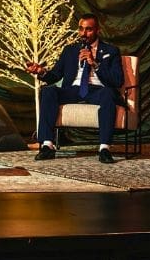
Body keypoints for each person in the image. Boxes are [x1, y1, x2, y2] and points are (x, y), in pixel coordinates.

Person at [27, 13, 124, 164]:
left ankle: (104, 148)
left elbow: (117, 80)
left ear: (98, 30)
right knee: (48, 90)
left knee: (107, 94)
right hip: (74, 89)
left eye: (89, 29)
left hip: (98, 90)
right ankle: (47, 145)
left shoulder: (111, 51)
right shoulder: (70, 50)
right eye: (81, 29)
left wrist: (95, 63)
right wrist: (41, 72)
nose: (84, 33)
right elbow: (55, 75)